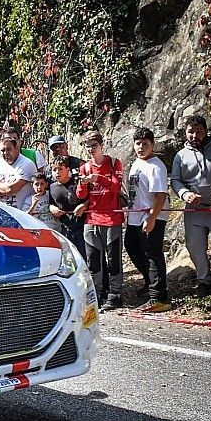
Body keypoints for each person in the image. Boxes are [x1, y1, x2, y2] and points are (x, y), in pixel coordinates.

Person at [76, 130, 125, 310]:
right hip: (92, 217)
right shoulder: (85, 167)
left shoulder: (113, 163)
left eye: (94, 146)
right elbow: (80, 194)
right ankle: (96, 293)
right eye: (87, 146)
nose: (90, 150)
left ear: (102, 145)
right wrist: (83, 183)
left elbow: (116, 187)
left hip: (112, 217)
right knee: (93, 258)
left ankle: (115, 293)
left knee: (113, 258)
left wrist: (98, 178)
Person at [124, 127, 172, 312]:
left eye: (145, 144)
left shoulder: (156, 166)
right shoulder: (137, 163)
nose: (141, 147)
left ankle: (159, 296)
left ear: (153, 145)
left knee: (152, 253)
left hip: (152, 216)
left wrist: (152, 218)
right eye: (138, 143)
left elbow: (160, 195)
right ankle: (150, 282)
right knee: (133, 247)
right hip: (135, 216)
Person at [170, 115, 211, 298]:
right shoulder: (180, 156)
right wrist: (185, 194)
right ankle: (203, 281)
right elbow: (175, 180)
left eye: (198, 131)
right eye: (191, 132)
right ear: (185, 133)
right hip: (194, 210)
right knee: (195, 247)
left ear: (205, 131)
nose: (194, 135)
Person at [49, 156, 87, 255]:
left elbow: (90, 199)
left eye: (60, 169)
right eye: (54, 169)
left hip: (83, 226)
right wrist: (52, 208)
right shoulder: (52, 187)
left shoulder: (77, 182)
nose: (57, 172)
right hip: (65, 229)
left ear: (68, 169)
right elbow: (51, 203)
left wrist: (83, 206)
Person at [0, 137, 36, 207]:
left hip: (20, 212)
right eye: (2, 150)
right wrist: (6, 188)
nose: (6, 153)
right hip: (0, 211)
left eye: (9, 149)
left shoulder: (26, 164)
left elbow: (11, 189)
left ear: (16, 148)